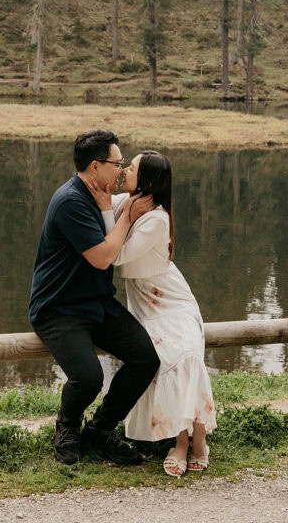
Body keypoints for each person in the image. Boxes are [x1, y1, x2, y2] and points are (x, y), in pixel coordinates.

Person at [29, 129, 159, 466]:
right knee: (88, 377)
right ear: (94, 166)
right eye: (117, 163)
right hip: (59, 308)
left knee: (146, 358)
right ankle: (67, 427)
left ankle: (100, 430)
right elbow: (102, 257)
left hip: (97, 302)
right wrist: (128, 215)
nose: (121, 170)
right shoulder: (71, 200)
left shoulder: (101, 195)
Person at [95, 150, 217, 477]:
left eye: (130, 167)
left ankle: (195, 439)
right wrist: (105, 197)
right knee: (164, 357)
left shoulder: (156, 219)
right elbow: (104, 206)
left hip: (171, 301)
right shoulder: (131, 204)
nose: (123, 171)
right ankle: (181, 440)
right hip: (145, 305)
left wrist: (114, 210)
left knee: (185, 355)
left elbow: (115, 255)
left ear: (147, 178)